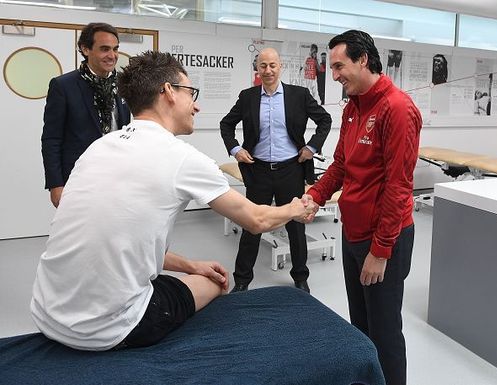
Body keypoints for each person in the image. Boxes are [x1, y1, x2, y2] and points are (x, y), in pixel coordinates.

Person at [30, 51, 316, 352]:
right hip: (106, 329)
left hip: (47, 313)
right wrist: (297, 208)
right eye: (190, 93)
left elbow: (121, 237)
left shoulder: (98, 148)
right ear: (168, 91)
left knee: (194, 273)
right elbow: (257, 221)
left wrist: (190, 265)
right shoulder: (181, 157)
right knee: (216, 283)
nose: (196, 104)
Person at [302, 30, 422, 385]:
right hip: (353, 232)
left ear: (363, 60)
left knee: (384, 333)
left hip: (384, 239)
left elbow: (398, 186)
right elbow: (341, 164)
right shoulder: (354, 107)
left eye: (339, 66)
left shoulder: (397, 109)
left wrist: (381, 251)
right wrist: (316, 196)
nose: (335, 75)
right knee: (360, 327)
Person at [220, 47, 332, 294]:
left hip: (290, 169)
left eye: (272, 65)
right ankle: (242, 280)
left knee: (295, 225)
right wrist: (235, 149)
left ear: (280, 66)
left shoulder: (299, 95)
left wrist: (312, 147)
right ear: (257, 69)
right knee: (252, 224)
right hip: (258, 171)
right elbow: (226, 124)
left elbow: (325, 120)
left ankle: (300, 277)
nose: (268, 70)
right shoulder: (248, 97)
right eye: (263, 66)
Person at [41, 22, 131, 208]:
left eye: (115, 49)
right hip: (78, 177)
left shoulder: (123, 85)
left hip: (118, 174)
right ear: (85, 49)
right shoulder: (63, 86)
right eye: (104, 49)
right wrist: (56, 185)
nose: (112, 56)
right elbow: (51, 138)